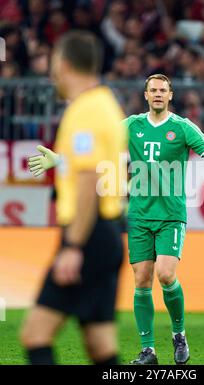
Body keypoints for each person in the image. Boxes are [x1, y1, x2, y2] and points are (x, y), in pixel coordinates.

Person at [29, 73, 204, 365]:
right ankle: (148, 350)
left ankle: (179, 334)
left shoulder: (183, 128)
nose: (158, 94)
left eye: (163, 90)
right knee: (141, 279)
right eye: (153, 90)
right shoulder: (131, 126)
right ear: (146, 95)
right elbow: (97, 149)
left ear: (171, 95)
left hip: (171, 216)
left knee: (166, 273)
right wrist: (59, 160)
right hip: (138, 215)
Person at [21, 31, 126, 365]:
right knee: (100, 345)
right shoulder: (105, 105)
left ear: (63, 65)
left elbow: (87, 179)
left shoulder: (85, 112)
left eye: (53, 64)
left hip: (88, 234)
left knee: (35, 335)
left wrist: (73, 246)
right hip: (106, 232)